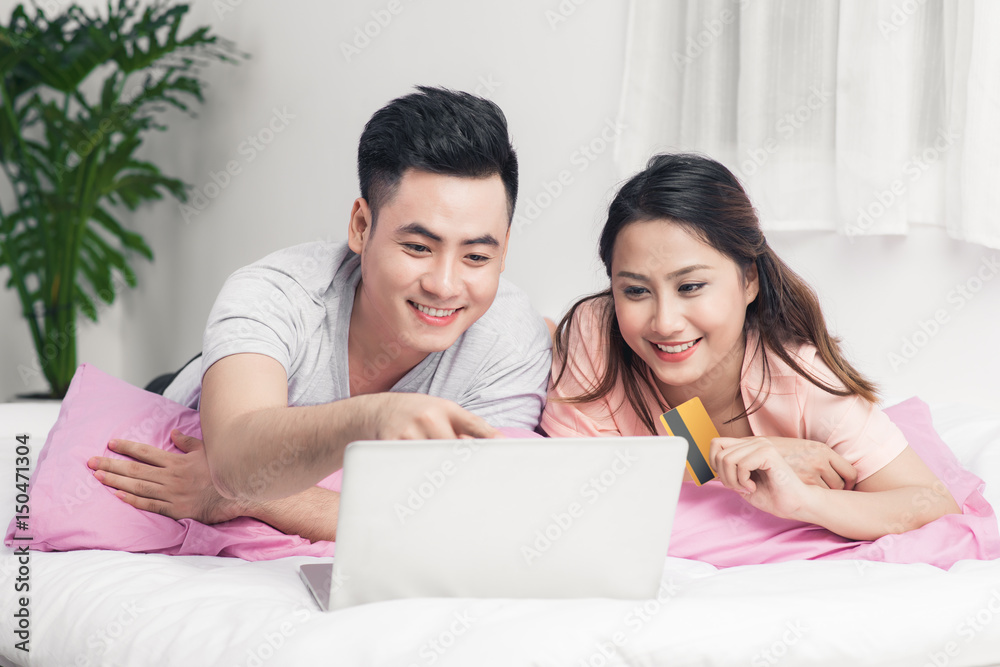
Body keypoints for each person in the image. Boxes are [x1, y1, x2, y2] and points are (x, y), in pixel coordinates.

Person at [87, 86, 552, 541]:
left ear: (504, 249)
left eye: (475, 257)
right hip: (193, 396)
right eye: (417, 247)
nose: (444, 285)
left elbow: (467, 520)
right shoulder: (273, 293)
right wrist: (374, 417)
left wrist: (256, 498)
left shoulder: (511, 336)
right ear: (361, 226)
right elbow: (232, 461)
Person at [541, 152, 959, 540]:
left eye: (690, 286)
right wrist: (735, 464)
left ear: (749, 280)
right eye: (635, 291)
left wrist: (806, 499)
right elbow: (574, 480)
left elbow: (936, 506)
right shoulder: (597, 331)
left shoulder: (801, 378)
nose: (665, 322)